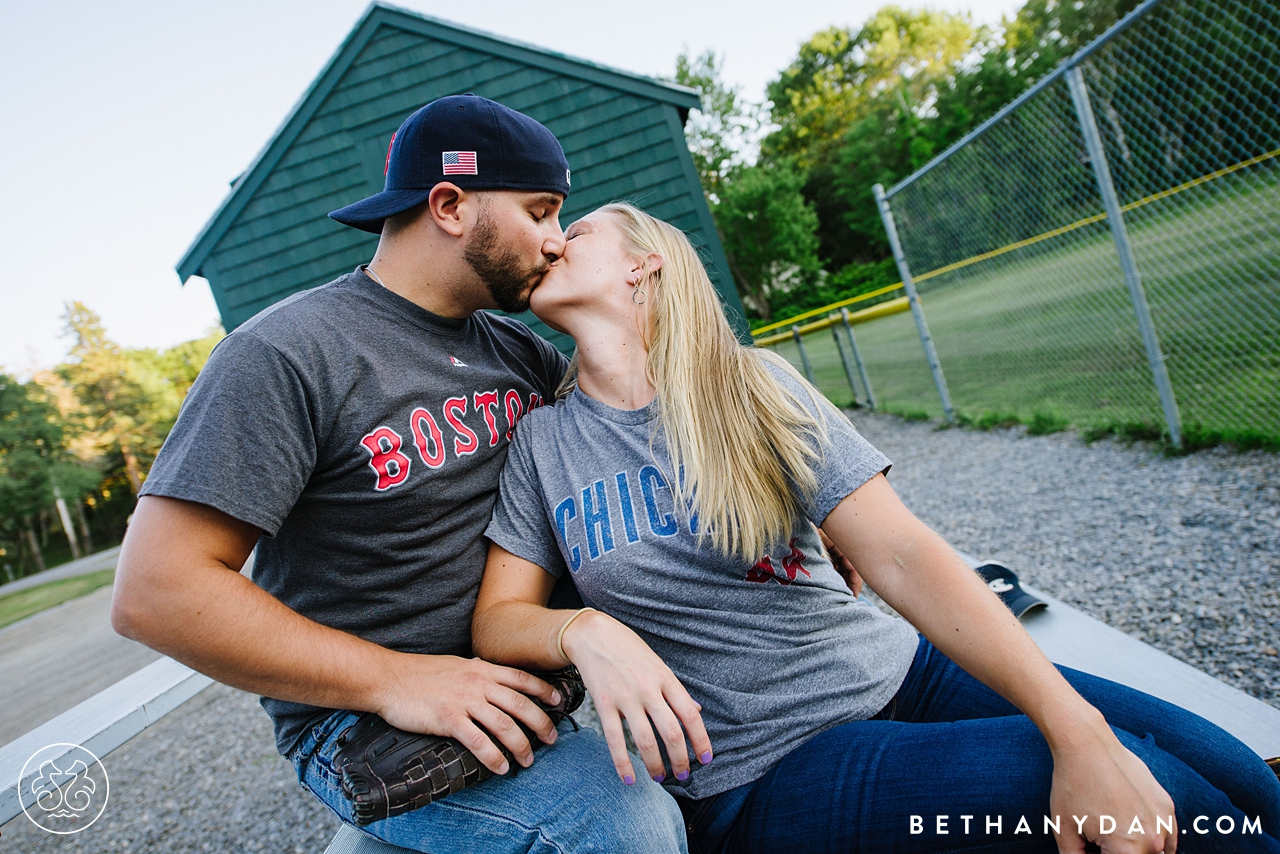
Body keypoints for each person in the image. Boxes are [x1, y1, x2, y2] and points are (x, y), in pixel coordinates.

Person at [471, 202, 1280, 854]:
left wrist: (1078, 725)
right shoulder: (546, 442)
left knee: (1220, 764)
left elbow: (900, 552)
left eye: (573, 232)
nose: (549, 243)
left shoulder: (746, 386)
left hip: (899, 672)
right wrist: (583, 632)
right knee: (1130, 793)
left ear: (643, 264)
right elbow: (499, 620)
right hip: (760, 768)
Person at [111, 98, 687, 853]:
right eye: (540, 212)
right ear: (448, 205)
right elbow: (156, 591)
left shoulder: (519, 352)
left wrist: (790, 501)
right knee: (621, 821)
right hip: (363, 720)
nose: (555, 244)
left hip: (509, 691)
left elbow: (638, 435)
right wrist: (400, 681)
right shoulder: (290, 353)